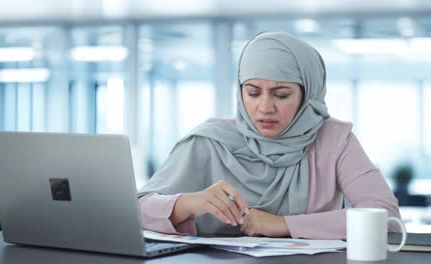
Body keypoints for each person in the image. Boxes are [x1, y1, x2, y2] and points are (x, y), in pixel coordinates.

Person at [137, 31, 400, 239]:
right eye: (252, 92)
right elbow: (134, 211)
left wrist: (283, 224)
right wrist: (189, 202)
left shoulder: (335, 140)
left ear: (307, 95)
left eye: (281, 94)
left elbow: (386, 218)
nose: (265, 107)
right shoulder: (209, 141)